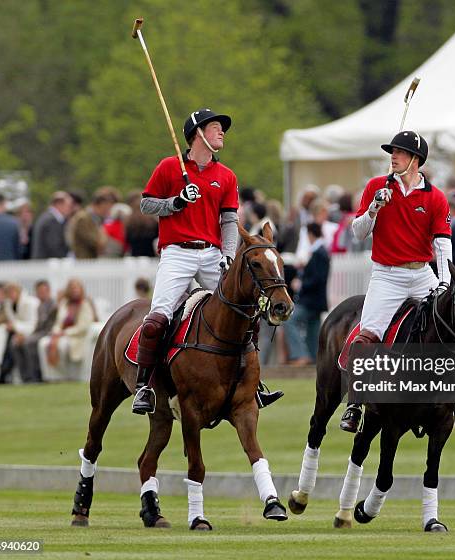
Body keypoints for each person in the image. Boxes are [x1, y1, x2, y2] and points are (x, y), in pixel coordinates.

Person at [339, 130, 455, 433]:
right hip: (387, 275)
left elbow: (442, 245)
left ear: (415, 159)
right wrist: (374, 208)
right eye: (392, 152)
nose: (393, 156)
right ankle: (355, 404)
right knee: (368, 335)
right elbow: (358, 233)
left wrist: (441, 282)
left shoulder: (435, 197)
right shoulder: (376, 187)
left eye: (399, 152)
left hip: (421, 273)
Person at [131, 107, 281, 414]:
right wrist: (175, 202)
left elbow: (228, 221)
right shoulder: (169, 167)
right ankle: (144, 386)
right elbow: (146, 204)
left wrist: (227, 256)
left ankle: (254, 385)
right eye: (215, 127)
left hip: (212, 254)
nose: (222, 132)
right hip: (177, 253)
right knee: (158, 318)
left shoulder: (226, 175)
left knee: (246, 312)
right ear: (198, 134)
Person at [284, 223, 330, 365]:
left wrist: (302, 283)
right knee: (312, 332)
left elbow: (318, 278)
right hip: (316, 301)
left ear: (310, 234)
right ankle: (314, 359)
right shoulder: (319, 252)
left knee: (290, 321)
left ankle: (301, 355)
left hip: (310, 300)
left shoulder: (319, 253)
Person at [38, 279, 95, 380]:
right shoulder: (64, 303)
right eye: (72, 288)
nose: (75, 291)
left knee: (61, 346)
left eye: (77, 288)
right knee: (43, 343)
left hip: (76, 336)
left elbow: (83, 327)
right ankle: (49, 376)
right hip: (60, 334)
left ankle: (63, 376)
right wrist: (56, 332)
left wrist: (64, 333)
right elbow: (58, 322)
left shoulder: (85, 304)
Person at [10, 280, 57, 382]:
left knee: (28, 342)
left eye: (43, 291)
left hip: (48, 333)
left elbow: (50, 326)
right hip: (38, 333)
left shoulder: (54, 305)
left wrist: (28, 336)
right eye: (39, 292)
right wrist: (24, 335)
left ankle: (36, 376)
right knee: (15, 342)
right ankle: (25, 377)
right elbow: (35, 326)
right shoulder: (39, 305)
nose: (41, 294)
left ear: (48, 291)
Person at [0, 282, 39, 384]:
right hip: (18, 333)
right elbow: (12, 321)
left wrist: (16, 328)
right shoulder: (8, 304)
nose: (10, 295)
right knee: (13, 343)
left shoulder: (30, 303)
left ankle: (32, 377)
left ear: (17, 291)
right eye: (8, 293)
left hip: (33, 332)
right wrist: (16, 329)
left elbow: (33, 324)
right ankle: (24, 377)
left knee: (23, 343)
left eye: (11, 292)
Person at [30, 191, 73, 259]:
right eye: (69, 206)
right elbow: (54, 248)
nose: (70, 209)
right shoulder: (51, 220)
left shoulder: (47, 217)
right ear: (59, 204)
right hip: (45, 266)